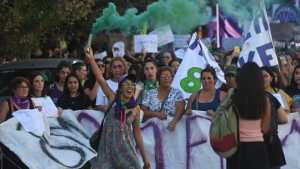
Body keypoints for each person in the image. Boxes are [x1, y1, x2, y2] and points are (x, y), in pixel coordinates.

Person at [85, 47, 151, 169]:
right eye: (126, 84)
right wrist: (92, 59)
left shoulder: (136, 108)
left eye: (132, 85)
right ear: (120, 88)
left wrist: (145, 159)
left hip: (127, 151)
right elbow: (100, 77)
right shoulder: (112, 98)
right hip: (107, 151)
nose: (130, 87)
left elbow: (137, 133)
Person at [226, 62, 271, 169]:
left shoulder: (233, 98)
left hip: (236, 148)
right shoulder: (265, 100)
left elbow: (228, 123)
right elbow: (264, 129)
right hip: (257, 148)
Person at [141, 66, 185, 131]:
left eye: (169, 76)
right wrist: (156, 114)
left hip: (170, 130)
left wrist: (174, 122)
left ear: (172, 79)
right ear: (159, 78)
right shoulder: (149, 93)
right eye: (163, 76)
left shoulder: (177, 93)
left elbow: (180, 110)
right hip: (151, 130)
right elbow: (143, 111)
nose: (166, 78)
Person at [261, 67, 287, 169]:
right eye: (260, 77)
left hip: (256, 145)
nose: (263, 79)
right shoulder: (270, 97)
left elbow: (286, 116)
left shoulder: (278, 93)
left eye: (265, 76)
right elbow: (283, 118)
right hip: (270, 143)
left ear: (271, 78)